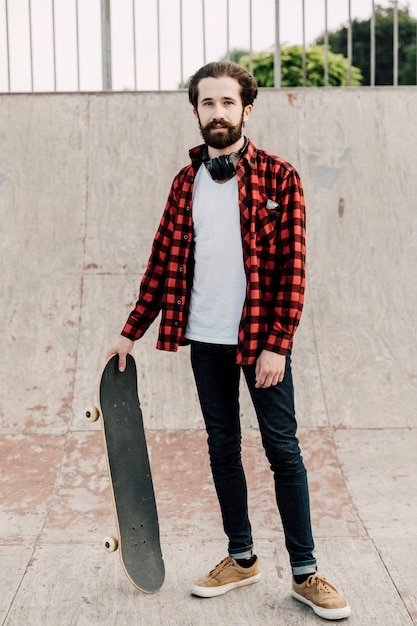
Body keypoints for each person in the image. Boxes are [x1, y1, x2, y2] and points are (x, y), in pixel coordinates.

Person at [106, 61, 351, 621]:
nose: (218, 113)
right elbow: (162, 263)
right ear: (196, 111)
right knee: (222, 449)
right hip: (205, 338)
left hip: (262, 340)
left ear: (246, 108)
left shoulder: (280, 177)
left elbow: (293, 269)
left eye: (227, 102)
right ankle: (241, 557)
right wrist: (129, 332)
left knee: (283, 450)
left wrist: (279, 344)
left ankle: (306, 572)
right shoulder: (184, 183)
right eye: (207, 104)